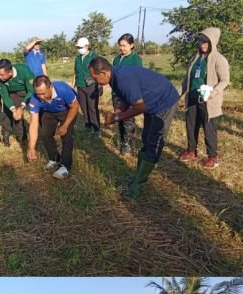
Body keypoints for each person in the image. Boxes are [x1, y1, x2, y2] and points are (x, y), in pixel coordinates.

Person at [88, 57, 180, 199]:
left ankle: (137, 186)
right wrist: (116, 113)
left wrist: (117, 118)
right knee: (146, 137)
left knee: (154, 141)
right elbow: (126, 99)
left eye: (95, 78)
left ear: (104, 73)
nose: (95, 81)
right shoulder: (114, 77)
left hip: (163, 101)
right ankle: (138, 175)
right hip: (151, 103)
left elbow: (139, 107)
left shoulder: (123, 79)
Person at [180, 27, 230, 169]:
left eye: (205, 41)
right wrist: (177, 94)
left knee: (209, 128)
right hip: (193, 97)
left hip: (209, 100)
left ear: (213, 42)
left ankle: (212, 157)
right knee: (191, 125)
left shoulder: (219, 59)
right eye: (200, 40)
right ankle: (191, 151)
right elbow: (187, 79)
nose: (202, 44)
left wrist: (214, 92)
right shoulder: (195, 58)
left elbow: (225, 80)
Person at [26, 76, 79, 179]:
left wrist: (64, 126)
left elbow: (75, 107)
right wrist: (31, 147)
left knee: (66, 135)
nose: (41, 97)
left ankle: (65, 166)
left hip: (67, 110)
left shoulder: (63, 89)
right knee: (44, 133)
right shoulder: (34, 99)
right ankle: (54, 158)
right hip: (49, 111)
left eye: (43, 93)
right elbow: (33, 124)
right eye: (38, 94)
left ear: (50, 87)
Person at [112, 34, 142, 154]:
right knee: (119, 117)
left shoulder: (135, 59)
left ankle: (128, 142)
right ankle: (122, 140)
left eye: (124, 46)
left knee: (128, 119)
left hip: (128, 94)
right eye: (120, 46)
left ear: (131, 45)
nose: (122, 48)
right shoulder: (116, 59)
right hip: (116, 94)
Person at [0, 59, 35, 145]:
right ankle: (20, 136)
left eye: (2, 75)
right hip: (12, 93)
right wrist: (13, 109)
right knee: (15, 114)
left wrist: (22, 106)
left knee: (34, 112)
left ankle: (34, 134)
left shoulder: (24, 70)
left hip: (26, 91)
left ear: (10, 73)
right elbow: (5, 96)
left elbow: (31, 90)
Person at [73, 37, 101, 137]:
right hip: (80, 85)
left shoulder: (94, 57)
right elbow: (75, 72)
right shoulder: (77, 58)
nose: (79, 49)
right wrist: (73, 86)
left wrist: (100, 86)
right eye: (78, 47)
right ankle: (88, 126)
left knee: (92, 108)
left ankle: (96, 129)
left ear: (87, 46)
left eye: (81, 47)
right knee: (84, 108)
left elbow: (99, 72)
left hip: (91, 86)